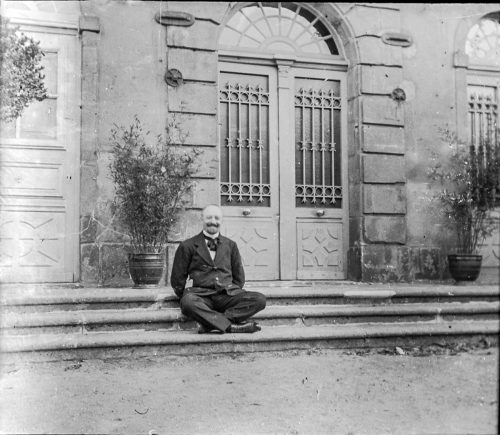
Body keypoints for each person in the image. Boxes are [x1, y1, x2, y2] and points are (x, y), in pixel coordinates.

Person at [170, 204, 266, 334]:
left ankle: (211, 324)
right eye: (209, 217)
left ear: (221, 220)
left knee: (259, 299)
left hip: (226, 296)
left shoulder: (231, 245)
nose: (213, 221)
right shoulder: (187, 245)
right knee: (187, 303)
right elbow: (177, 281)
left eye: (217, 218)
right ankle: (230, 326)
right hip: (200, 296)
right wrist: (187, 294)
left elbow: (239, 278)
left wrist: (230, 291)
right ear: (202, 219)